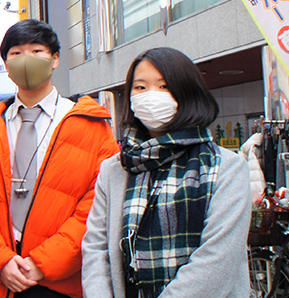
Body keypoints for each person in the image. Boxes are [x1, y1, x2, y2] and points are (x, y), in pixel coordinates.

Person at [0, 19, 119, 298]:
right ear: (6, 65)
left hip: (63, 284)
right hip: (0, 282)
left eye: (36, 51)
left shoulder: (91, 125)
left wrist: (43, 263)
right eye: (16, 53)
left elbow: (98, 203)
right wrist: (1, 261)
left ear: (55, 59)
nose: (26, 60)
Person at [81, 47, 251, 297]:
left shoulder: (227, 167)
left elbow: (217, 260)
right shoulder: (115, 168)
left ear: (187, 93)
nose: (151, 95)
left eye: (164, 87)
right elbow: (96, 249)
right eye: (140, 87)